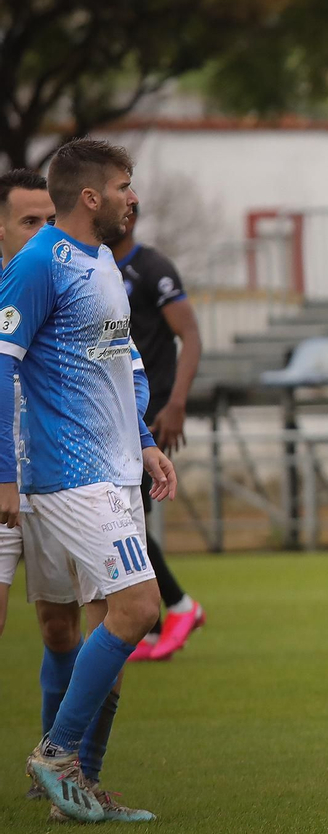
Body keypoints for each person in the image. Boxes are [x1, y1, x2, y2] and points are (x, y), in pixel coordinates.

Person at [0, 139, 177, 823]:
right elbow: (3, 365)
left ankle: (76, 789)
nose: (136, 198)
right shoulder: (40, 262)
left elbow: (123, 364)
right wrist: (5, 475)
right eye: (126, 186)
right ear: (92, 196)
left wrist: (143, 442)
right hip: (69, 476)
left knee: (104, 624)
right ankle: (57, 754)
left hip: (114, 471)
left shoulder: (102, 262)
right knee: (136, 610)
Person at [110, 201, 207, 661]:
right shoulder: (94, 268)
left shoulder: (151, 268)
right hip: (117, 412)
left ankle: (180, 605)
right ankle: (152, 627)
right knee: (129, 514)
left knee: (128, 516)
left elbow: (190, 335)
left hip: (152, 413)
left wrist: (177, 403)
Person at [0, 169, 56, 635]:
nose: (42, 233)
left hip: (57, 480)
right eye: (29, 222)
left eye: (51, 221)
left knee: (59, 627)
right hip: (2, 481)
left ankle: (62, 714)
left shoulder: (79, 285)